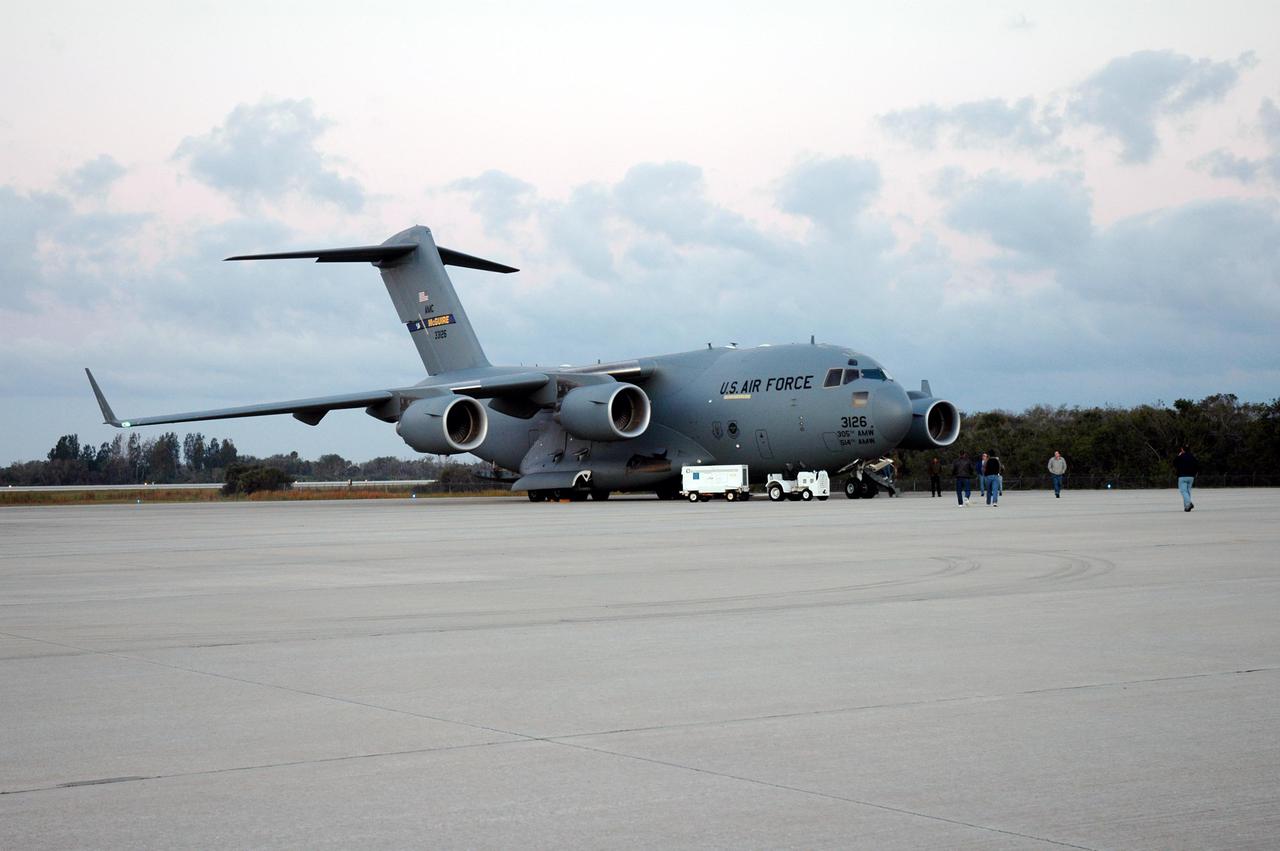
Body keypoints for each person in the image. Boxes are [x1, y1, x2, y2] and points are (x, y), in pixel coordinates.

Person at [1174, 446, 1199, 511]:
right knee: (1188, 491)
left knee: (1183, 491)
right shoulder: (1192, 457)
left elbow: (1174, 463)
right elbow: (1197, 465)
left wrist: (1178, 456)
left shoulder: (1181, 456)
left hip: (1182, 476)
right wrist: (1195, 472)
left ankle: (1189, 503)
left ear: (1182, 450)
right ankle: (1187, 507)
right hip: (1191, 476)